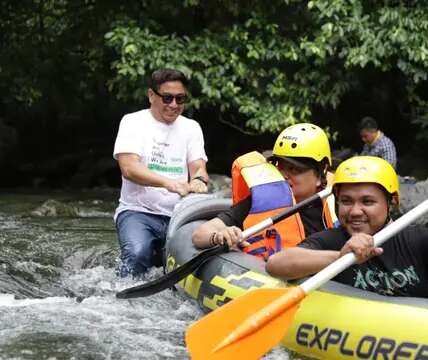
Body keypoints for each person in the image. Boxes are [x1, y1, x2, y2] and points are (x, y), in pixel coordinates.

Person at [267, 130, 428, 297]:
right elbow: (276, 264)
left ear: (391, 202)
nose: (355, 211)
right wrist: (340, 256)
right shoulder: (332, 241)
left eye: (367, 201)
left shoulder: (417, 241)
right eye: (346, 201)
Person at [113, 68, 209, 277]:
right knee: (138, 254)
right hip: (138, 212)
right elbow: (129, 168)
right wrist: (169, 183)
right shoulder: (132, 122)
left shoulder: (191, 128)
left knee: (199, 258)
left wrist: (200, 180)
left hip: (180, 215)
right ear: (151, 95)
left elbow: (199, 168)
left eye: (180, 99)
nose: (174, 105)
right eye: (167, 98)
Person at [192, 123, 337, 258]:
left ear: (320, 174)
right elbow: (200, 235)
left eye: (295, 169)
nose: (284, 175)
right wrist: (218, 236)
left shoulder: (339, 206)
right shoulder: (261, 201)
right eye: (279, 167)